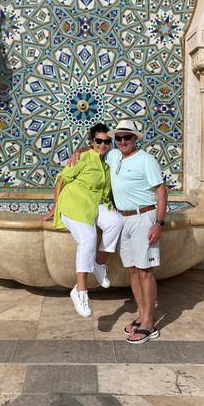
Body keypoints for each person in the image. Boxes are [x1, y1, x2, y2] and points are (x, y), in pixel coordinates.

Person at [43, 123, 123, 318]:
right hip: (75, 204)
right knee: (88, 238)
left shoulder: (108, 162)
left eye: (106, 141)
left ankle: (99, 264)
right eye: (99, 141)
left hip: (96, 204)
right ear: (92, 142)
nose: (103, 144)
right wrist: (55, 206)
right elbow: (61, 180)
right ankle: (80, 291)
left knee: (116, 222)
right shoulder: (82, 158)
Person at [105, 119, 167, 344]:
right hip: (124, 219)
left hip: (144, 218)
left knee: (145, 271)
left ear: (135, 139)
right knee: (132, 270)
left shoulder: (146, 160)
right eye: (118, 138)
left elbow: (161, 191)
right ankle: (142, 316)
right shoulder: (113, 156)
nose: (122, 141)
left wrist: (158, 223)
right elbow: (94, 147)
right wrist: (78, 152)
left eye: (127, 137)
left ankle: (149, 324)